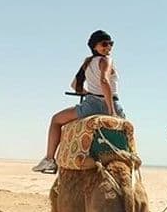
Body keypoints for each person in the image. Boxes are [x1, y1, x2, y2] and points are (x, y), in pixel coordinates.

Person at [32, 30, 127, 173]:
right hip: (112, 103)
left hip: (91, 105)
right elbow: (104, 80)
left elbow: (75, 85)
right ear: (94, 46)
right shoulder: (107, 60)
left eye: (111, 44)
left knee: (56, 120)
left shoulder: (87, 63)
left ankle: (50, 160)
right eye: (104, 44)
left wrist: (88, 92)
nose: (108, 48)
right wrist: (111, 110)